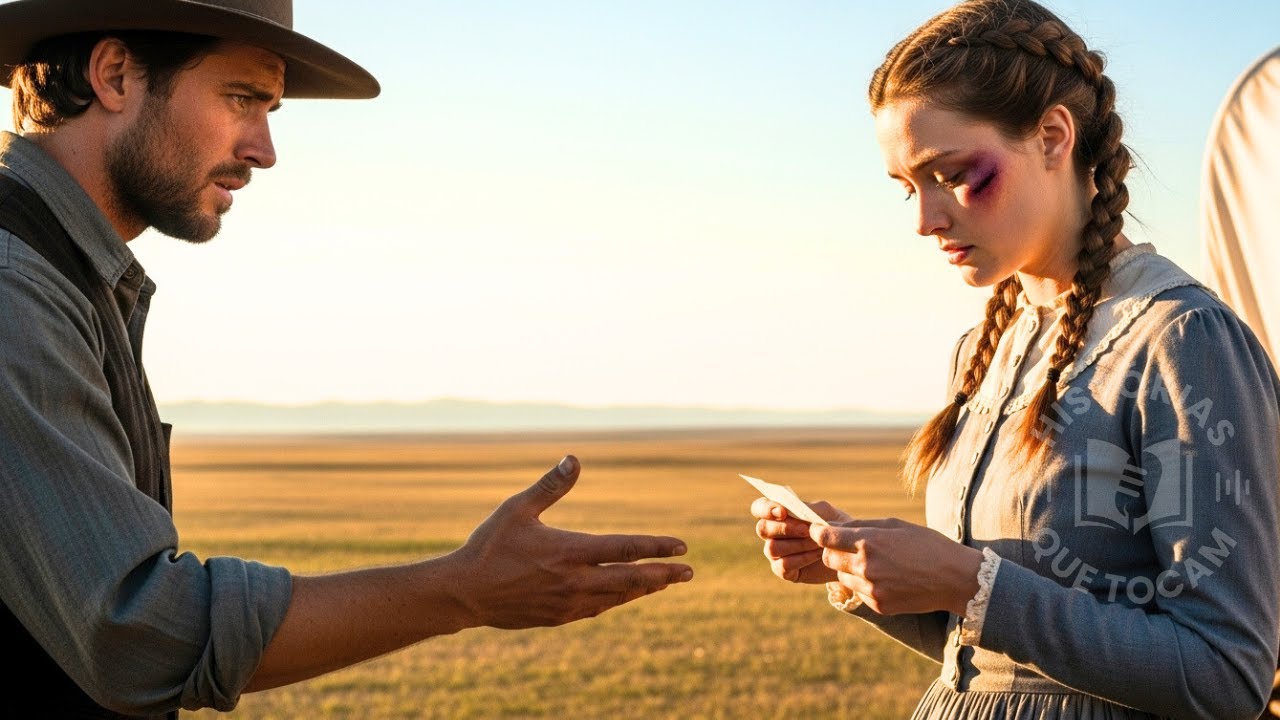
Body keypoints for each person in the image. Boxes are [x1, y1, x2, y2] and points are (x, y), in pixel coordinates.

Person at [0, 1, 692, 717]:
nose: (264, 149)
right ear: (114, 75)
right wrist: (463, 588)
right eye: (242, 98)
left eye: (270, 110)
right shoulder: (15, 288)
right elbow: (139, 636)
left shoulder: (64, 275)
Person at [751, 1, 1280, 717]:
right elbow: (992, 661)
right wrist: (863, 569)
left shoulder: (1181, 339)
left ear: (1054, 137)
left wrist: (971, 582)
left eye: (956, 173)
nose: (924, 220)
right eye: (908, 187)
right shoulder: (982, 349)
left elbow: (1225, 675)